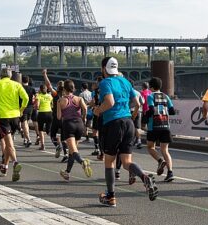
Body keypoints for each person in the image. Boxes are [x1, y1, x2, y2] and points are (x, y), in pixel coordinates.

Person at [94, 57, 157, 207]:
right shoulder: (126, 81)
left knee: (109, 161)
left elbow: (109, 102)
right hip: (128, 122)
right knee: (126, 162)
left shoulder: (105, 83)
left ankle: (111, 197)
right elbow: (138, 102)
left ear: (104, 69)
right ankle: (144, 176)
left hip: (113, 123)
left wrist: (97, 110)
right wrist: (133, 114)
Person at [0, 67, 29, 181]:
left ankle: (15, 162)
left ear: (0, 75)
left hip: (3, 116)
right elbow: (26, 98)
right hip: (15, 116)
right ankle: (5, 166)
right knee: (10, 143)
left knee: (9, 143)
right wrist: (22, 109)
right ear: (10, 75)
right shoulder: (16, 84)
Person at [144, 77, 177, 182]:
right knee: (165, 150)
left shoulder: (150, 96)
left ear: (151, 87)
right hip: (165, 126)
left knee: (150, 147)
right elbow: (172, 111)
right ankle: (170, 172)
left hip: (153, 126)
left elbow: (151, 110)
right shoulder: (166, 96)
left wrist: (145, 116)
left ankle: (160, 160)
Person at [58, 79, 92, 181]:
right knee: (72, 152)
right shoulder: (79, 98)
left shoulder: (60, 100)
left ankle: (83, 162)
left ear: (64, 89)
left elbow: (59, 117)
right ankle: (67, 172)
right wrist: (83, 117)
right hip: (79, 124)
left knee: (73, 150)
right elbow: (85, 109)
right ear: (73, 88)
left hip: (69, 125)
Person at [35, 81, 54, 151]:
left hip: (42, 114)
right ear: (46, 89)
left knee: (40, 130)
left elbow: (37, 106)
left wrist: (37, 108)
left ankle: (42, 145)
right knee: (48, 131)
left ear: (40, 89)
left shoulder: (38, 96)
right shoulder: (50, 96)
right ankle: (56, 141)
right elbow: (52, 105)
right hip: (49, 113)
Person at [20, 76, 35, 146]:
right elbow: (35, 98)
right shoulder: (32, 89)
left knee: (24, 124)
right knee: (26, 123)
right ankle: (25, 139)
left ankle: (28, 139)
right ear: (28, 81)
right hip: (30, 108)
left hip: (23, 108)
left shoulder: (20, 88)